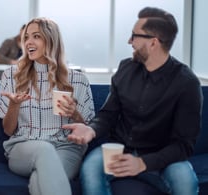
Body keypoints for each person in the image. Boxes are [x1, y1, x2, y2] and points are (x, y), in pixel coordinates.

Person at [63, 7, 203, 195]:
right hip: (120, 150)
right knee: (90, 170)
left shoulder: (187, 83)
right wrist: (92, 129)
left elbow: (183, 145)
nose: (129, 41)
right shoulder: (125, 69)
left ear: (153, 43)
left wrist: (143, 163)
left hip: (162, 157)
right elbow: (108, 115)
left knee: (185, 182)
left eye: (134, 36)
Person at [0, 17, 95, 195]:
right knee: (44, 149)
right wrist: (14, 106)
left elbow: (87, 129)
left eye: (36, 36)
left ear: (51, 40)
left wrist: (74, 114)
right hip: (24, 147)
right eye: (26, 37)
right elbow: (9, 131)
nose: (28, 42)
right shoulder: (11, 76)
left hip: (66, 147)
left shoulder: (78, 80)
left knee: (39, 179)